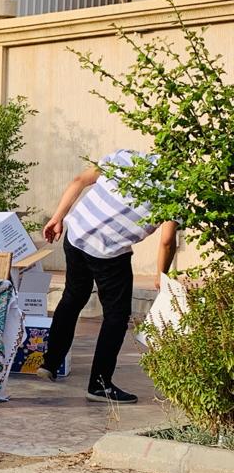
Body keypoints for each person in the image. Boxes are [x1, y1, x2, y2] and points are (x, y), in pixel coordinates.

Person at [38, 150, 178, 404]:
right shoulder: (173, 189)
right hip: (109, 252)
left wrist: (58, 218)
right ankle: (99, 385)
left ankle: (50, 362)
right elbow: (167, 241)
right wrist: (162, 275)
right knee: (116, 315)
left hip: (76, 235)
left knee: (73, 295)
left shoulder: (125, 157)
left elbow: (79, 181)